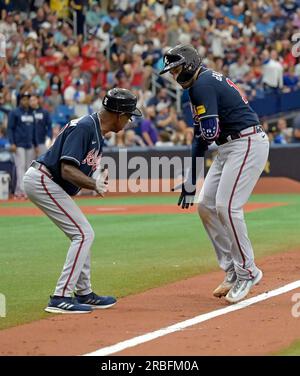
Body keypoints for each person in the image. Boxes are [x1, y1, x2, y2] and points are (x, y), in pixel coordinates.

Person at [160, 44, 269, 304]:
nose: (174, 76)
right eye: (171, 71)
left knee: (227, 206)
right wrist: (191, 180)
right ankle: (232, 269)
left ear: (188, 64)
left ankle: (248, 272)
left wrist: (203, 128)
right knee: (207, 205)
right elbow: (202, 139)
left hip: (246, 142)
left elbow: (206, 134)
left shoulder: (203, 85)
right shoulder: (201, 84)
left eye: (176, 69)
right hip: (229, 146)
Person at [23, 88, 142, 314]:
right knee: (83, 233)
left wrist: (95, 178)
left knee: (82, 232)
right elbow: (67, 170)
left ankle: (84, 292)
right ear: (118, 114)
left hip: (48, 181)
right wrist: (94, 184)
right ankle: (60, 297)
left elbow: (81, 169)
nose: (129, 120)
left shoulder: (97, 131)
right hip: (43, 179)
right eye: (128, 115)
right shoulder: (86, 127)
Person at [7, 91, 36, 198]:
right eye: (24, 99)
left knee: (29, 168)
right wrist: (12, 143)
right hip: (18, 144)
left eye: (28, 99)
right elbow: (10, 129)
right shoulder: (14, 112)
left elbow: (34, 130)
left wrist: (36, 144)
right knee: (20, 167)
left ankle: (26, 190)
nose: (26, 101)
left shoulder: (31, 112)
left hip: (29, 144)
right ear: (20, 100)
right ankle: (19, 191)